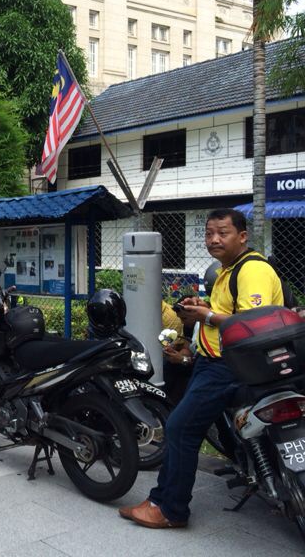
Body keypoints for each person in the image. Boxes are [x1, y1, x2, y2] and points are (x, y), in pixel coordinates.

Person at [119, 208, 284, 529]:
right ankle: (159, 499)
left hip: (229, 367)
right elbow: (228, 315)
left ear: (243, 236)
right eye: (209, 233)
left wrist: (205, 317)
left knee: (181, 428)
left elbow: (253, 322)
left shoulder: (252, 270)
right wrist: (198, 327)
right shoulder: (227, 270)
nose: (214, 239)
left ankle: (170, 508)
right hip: (213, 362)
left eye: (223, 233)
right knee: (196, 425)